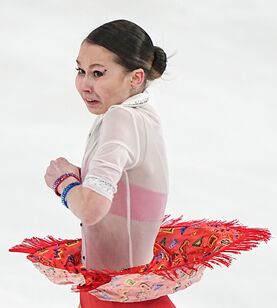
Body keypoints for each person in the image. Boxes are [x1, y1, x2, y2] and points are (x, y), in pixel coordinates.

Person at [43, 19, 175, 307]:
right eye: (81, 71)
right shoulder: (143, 115)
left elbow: (91, 208)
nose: (84, 85)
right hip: (113, 292)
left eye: (98, 73)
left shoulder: (120, 119)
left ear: (135, 78)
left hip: (120, 299)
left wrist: (63, 180)